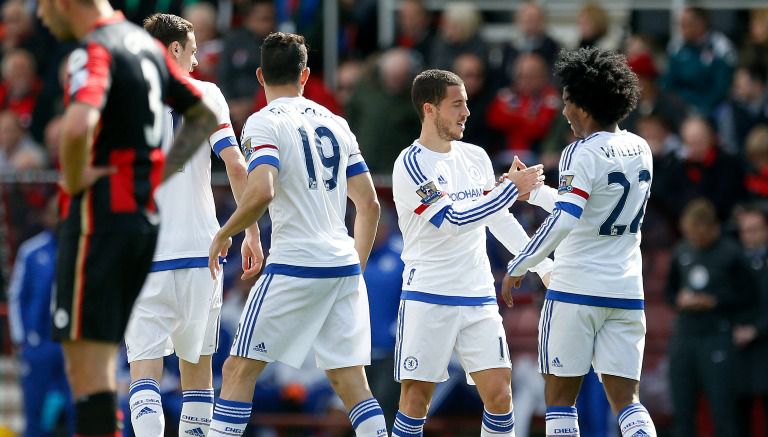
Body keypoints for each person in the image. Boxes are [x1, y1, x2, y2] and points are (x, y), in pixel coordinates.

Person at [35, 0, 218, 434]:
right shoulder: (147, 50)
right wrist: (159, 170)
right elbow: (201, 114)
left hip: (101, 224)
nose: (41, 16)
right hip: (146, 229)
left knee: (90, 368)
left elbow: (77, 127)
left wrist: (77, 176)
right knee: (179, 367)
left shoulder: (95, 50)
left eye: (44, 4)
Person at [204, 32, 387, 437]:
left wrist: (225, 232)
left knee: (238, 369)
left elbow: (262, 190)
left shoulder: (263, 122)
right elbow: (369, 204)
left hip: (295, 264)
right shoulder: (335, 122)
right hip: (341, 263)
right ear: (305, 74)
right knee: (351, 382)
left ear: (259, 75)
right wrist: (354, 266)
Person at [504, 47, 658, 437]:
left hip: (575, 290)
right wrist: (539, 194)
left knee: (559, 401)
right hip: (625, 290)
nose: (563, 111)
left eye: (568, 102)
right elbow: (593, 208)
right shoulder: (641, 148)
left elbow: (567, 219)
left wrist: (520, 264)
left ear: (585, 108)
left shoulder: (580, 151)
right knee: (628, 402)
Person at [390, 68, 551, 437]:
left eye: (466, 103)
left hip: (477, 294)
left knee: (500, 394)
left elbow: (498, 219)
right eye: (457, 104)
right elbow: (450, 219)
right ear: (429, 109)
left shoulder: (475, 156)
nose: (466, 112)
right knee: (416, 399)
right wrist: (509, 189)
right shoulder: (410, 164)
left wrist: (542, 265)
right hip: (428, 295)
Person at [122, 13, 260, 437]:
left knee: (144, 372)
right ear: (175, 49)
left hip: (146, 254)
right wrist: (250, 229)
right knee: (197, 376)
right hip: (204, 252)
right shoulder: (208, 94)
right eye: (194, 50)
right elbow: (236, 165)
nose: (197, 62)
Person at [665, 199, 755, 437]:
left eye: (699, 234)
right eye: (691, 235)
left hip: (717, 335)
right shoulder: (683, 249)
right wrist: (680, 300)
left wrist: (714, 301)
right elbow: (670, 291)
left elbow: (748, 295)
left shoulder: (731, 253)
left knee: (722, 411)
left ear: (712, 227)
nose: (696, 240)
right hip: (684, 336)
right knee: (682, 410)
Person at [8, 197, 73, 437]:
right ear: (47, 217)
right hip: (39, 344)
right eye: (55, 213)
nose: (60, 219)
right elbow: (17, 295)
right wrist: (23, 339)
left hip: (72, 344)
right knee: (34, 412)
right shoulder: (31, 251)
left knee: (77, 409)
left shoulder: (81, 250)